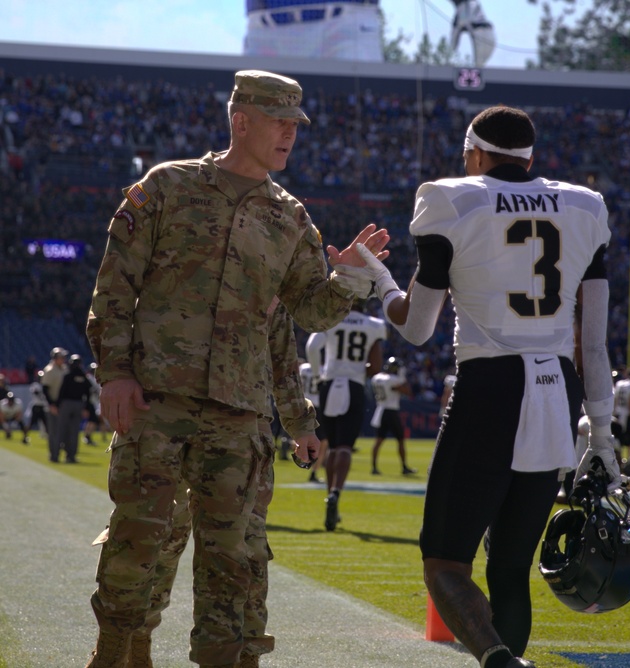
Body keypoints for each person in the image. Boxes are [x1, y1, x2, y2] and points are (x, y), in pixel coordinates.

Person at [84, 68, 389, 668]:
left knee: (236, 559)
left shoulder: (290, 218)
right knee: (139, 540)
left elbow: (307, 312)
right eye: (279, 122)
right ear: (241, 120)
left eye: (295, 125)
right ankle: (118, 650)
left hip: (240, 414)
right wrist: (114, 372)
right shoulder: (167, 187)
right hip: (157, 400)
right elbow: (114, 285)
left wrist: (350, 277)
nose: (289, 135)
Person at [336, 104, 617, 668]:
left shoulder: (452, 197)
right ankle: (505, 657)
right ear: (529, 156)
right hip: (557, 386)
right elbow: (594, 341)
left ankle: (499, 660)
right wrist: (603, 436)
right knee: (511, 566)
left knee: (444, 564)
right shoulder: (585, 205)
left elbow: (416, 328)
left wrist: (380, 281)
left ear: (476, 152)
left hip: (491, 383)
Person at [127, 300, 319, 668]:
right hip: (169, 419)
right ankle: (134, 644)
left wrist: (300, 423)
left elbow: (282, 355)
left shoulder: (267, 259)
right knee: (155, 540)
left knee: (246, 549)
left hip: (245, 428)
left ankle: (244, 655)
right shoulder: (177, 246)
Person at [306, 299, 386, 531]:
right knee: (344, 448)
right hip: (353, 386)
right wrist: (362, 368)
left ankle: (330, 497)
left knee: (330, 447)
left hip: (329, 384)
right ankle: (336, 493)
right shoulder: (373, 324)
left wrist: (320, 375)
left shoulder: (333, 318)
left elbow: (312, 347)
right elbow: (377, 366)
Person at [370, 356, 416, 475]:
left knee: (378, 440)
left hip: (380, 410)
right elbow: (408, 391)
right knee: (400, 440)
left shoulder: (377, 378)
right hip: (391, 411)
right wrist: (402, 376)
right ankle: (404, 467)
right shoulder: (393, 379)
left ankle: (374, 467)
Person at [53, 354, 94, 463]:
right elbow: (89, 392)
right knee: (74, 431)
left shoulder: (68, 375)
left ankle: (55, 455)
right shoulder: (83, 376)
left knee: (61, 430)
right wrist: (86, 407)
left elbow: (61, 392)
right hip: (79, 404)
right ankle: (71, 456)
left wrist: (57, 405)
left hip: (66, 404)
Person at [299, 357, 327, 483]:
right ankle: (314, 472)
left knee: (303, 435)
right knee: (323, 442)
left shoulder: (303, 368)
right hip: (316, 407)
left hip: (302, 404)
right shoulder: (323, 369)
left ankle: (291, 447)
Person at [40, 346, 67, 461]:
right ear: (55, 358)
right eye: (61, 357)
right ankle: (54, 455)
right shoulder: (50, 370)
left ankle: (63, 453)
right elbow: (45, 389)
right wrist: (51, 404)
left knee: (63, 431)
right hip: (53, 404)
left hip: (63, 403)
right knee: (54, 431)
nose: (64, 359)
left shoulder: (65, 369)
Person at [26, 370, 48, 437]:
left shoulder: (45, 385)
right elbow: (36, 393)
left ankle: (50, 437)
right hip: (36, 406)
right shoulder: (35, 385)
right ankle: (25, 436)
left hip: (43, 406)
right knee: (31, 423)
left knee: (46, 423)